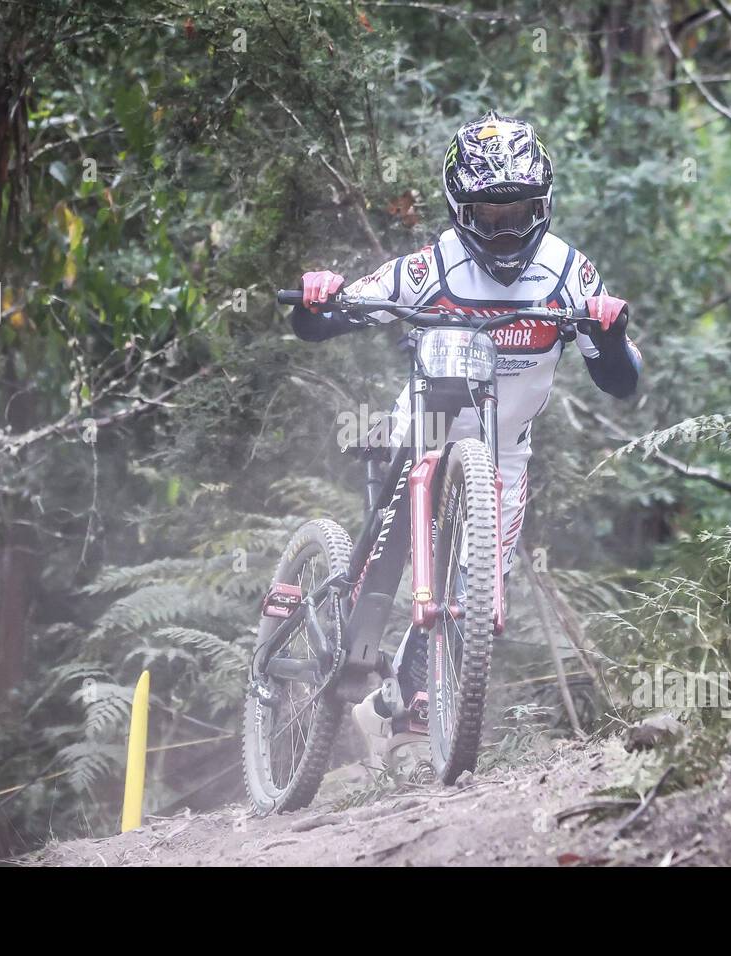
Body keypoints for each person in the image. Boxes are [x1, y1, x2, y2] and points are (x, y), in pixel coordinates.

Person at [289, 111, 642, 774]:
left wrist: (610, 333)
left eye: (520, 213)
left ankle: (412, 703)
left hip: (504, 451)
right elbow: (323, 323)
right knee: (379, 566)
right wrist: (316, 298)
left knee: (470, 594)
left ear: (543, 206)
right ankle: (341, 625)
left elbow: (617, 382)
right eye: (490, 215)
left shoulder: (569, 272)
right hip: (424, 428)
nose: (507, 230)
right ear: (460, 210)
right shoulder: (429, 268)